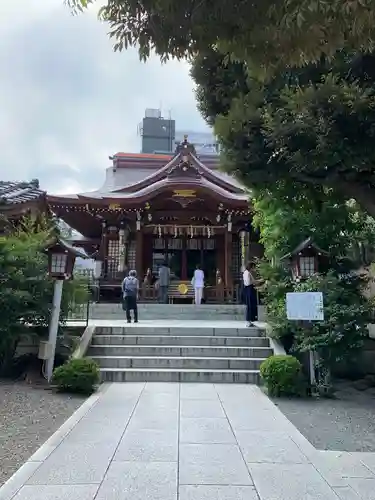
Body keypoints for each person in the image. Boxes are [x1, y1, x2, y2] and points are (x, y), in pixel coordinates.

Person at [243, 262, 258, 327]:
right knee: (249, 305)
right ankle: (248, 321)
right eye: (254, 267)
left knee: (251, 304)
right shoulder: (247, 273)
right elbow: (249, 282)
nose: (254, 268)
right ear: (251, 267)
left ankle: (250, 320)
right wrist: (257, 281)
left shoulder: (247, 273)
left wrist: (257, 281)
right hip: (249, 289)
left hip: (249, 289)